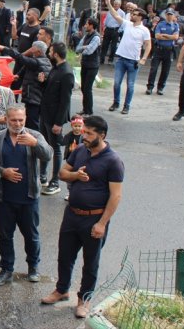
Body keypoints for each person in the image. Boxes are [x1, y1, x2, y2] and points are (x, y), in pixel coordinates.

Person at [42, 115, 124, 319]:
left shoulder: (113, 161)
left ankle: (84, 299)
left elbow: (116, 196)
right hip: (72, 215)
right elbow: (62, 173)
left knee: (90, 262)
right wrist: (76, 176)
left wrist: (102, 224)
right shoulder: (79, 150)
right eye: (84, 132)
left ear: (102, 135)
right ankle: (61, 290)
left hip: (93, 219)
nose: (84, 136)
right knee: (65, 255)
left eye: (89, 133)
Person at [0, 104, 52, 287]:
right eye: (14, 120)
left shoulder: (34, 135)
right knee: (5, 236)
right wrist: (2, 172)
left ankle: (33, 267)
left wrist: (35, 144)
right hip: (4, 198)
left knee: (31, 235)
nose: (17, 123)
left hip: (29, 198)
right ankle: (6, 269)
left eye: (21, 120)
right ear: (6, 120)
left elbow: (48, 155)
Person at [39, 43, 75, 195]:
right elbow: (49, 90)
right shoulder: (55, 68)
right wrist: (43, 82)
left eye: (51, 51)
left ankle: (55, 181)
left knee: (55, 148)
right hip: (45, 114)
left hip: (54, 118)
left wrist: (59, 123)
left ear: (56, 54)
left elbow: (65, 100)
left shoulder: (66, 73)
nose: (49, 53)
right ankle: (42, 176)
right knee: (45, 145)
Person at [105, 0, 151, 114]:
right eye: (132, 13)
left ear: (140, 17)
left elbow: (148, 45)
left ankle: (127, 106)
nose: (132, 15)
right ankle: (116, 102)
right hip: (121, 59)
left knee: (130, 85)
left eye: (134, 14)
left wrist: (144, 58)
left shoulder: (144, 30)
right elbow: (115, 15)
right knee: (116, 83)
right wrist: (108, 4)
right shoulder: (127, 24)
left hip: (133, 61)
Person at [0, 41, 51, 130]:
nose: (31, 50)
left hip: (34, 98)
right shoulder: (42, 61)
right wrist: (19, 75)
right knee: (30, 121)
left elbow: (21, 58)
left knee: (32, 123)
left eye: (33, 48)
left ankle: (34, 141)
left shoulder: (37, 62)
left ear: (39, 51)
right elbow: (26, 66)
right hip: (34, 97)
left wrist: (5, 49)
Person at [146, 9, 179, 96]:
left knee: (165, 71)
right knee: (154, 69)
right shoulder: (160, 24)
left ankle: (160, 88)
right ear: (165, 15)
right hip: (159, 49)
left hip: (169, 50)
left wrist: (165, 35)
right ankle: (150, 87)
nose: (169, 16)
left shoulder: (175, 25)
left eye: (171, 14)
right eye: (168, 14)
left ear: (173, 16)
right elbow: (157, 36)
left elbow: (176, 37)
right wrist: (169, 37)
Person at [76, 18, 101, 115]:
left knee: (87, 88)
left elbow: (90, 51)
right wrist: (84, 47)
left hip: (92, 66)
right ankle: (85, 108)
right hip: (85, 64)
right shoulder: (86, 36)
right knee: (83, 88)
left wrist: (84, 48)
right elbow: (78, 48)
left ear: (91, 26)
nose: (85, 26)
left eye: (87, 24)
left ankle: (89, 111)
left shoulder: (96, 37)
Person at [100, 0, 124, 65]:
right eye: (115, 4)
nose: (115, 5)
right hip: (108, 29)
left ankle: (110, 59)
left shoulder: (122, 13)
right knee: (105, 45)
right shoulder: (109, 11)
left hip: (115, 30)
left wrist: (119, 31)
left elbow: (123, 23)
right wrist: (104, 27)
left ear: (119, 5)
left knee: (113, 46)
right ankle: (102, 59)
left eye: (117, 4)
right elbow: (106, 20)